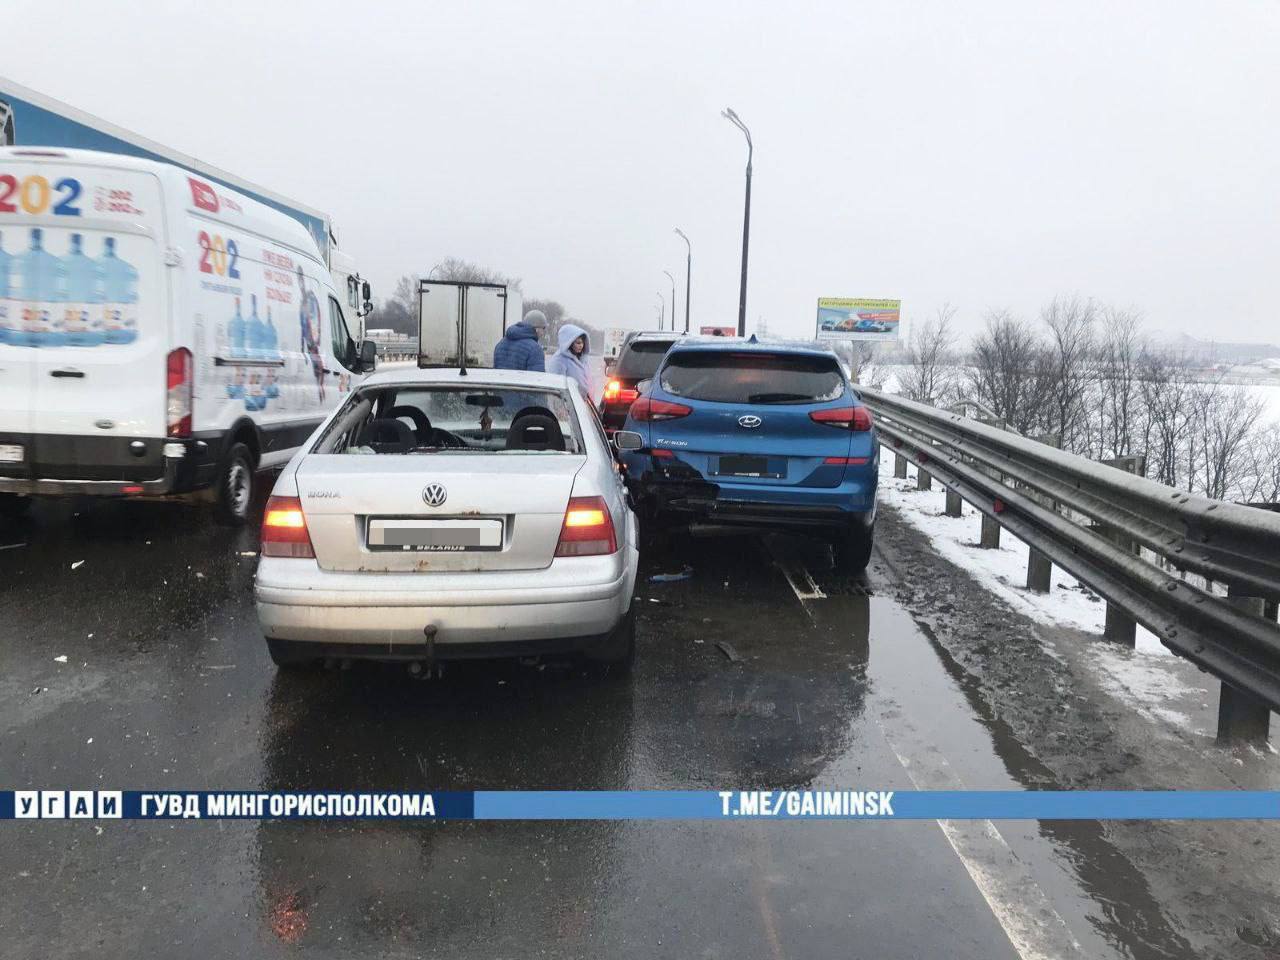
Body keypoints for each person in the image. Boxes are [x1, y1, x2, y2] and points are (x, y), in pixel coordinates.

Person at [547, 323, 591, 394]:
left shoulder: (583, 360)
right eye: (578, 343)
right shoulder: (559, 360)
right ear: (569, 343)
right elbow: (555, 386)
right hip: (566, 403)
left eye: (583, 343)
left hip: (579, 402)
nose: (581, 346)